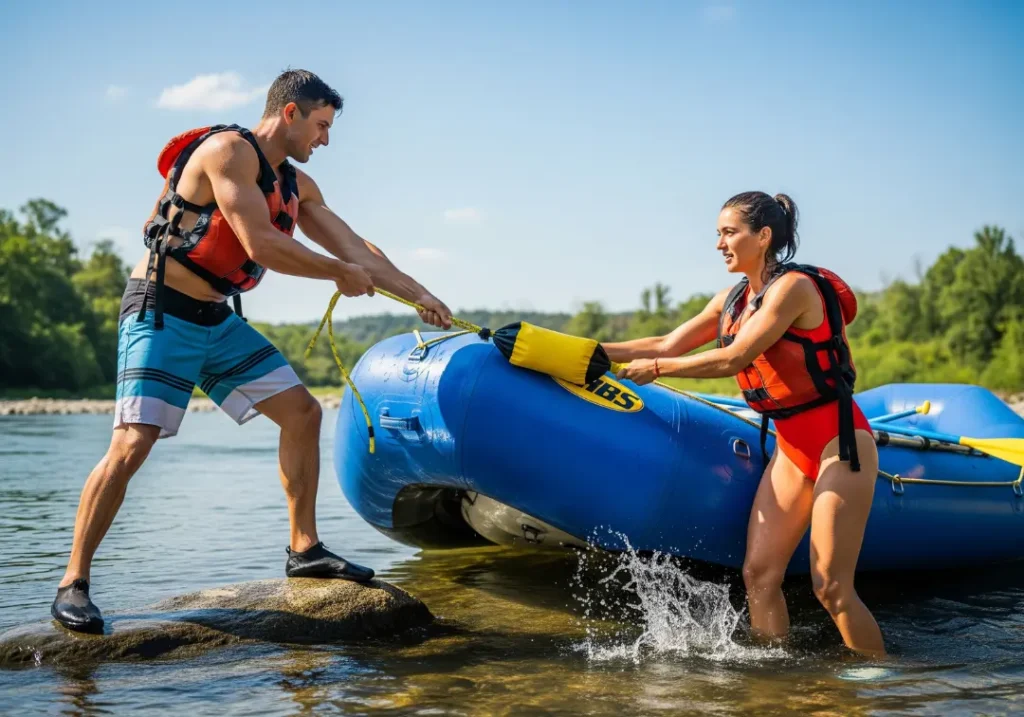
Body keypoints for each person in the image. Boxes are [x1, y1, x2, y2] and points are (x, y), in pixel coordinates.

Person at [50, 69, 454, 634]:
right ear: (289, 113)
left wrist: (422, 296)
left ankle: (304, 549)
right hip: (161, 310)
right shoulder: (227, 153)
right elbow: (262, 244)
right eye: (321, 125)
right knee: (131, 443)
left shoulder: (298, 186)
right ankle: (73, 583)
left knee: (303, 412)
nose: (326, 140)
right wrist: (339, 273)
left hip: (216, 320)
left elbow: (360, 251)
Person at [605, 191, 885, 657]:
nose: (719, 243)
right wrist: (592, 350)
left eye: (729, 232)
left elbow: (736, 355)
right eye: (718, 233)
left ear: (764, 236)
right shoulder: (731, 299)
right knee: (759, 575)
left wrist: (656, 369)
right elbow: (668, 341)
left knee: (831, 586)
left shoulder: (794, 288)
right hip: (791, 451)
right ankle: (772, 678)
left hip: (841, 443)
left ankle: (880, 681)